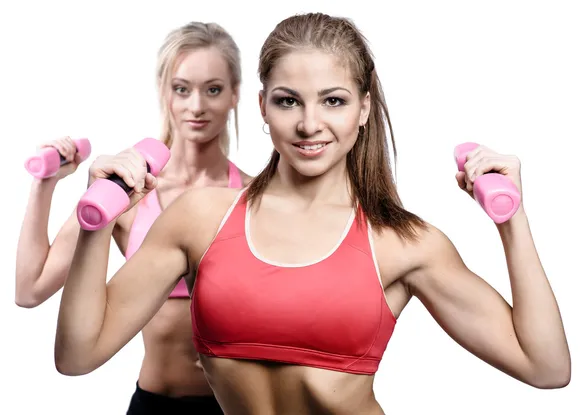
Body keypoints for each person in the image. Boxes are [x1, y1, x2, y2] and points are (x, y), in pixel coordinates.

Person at [53, 12, 571, 415]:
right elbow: (78, 357)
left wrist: (512, 221)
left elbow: (546, 367)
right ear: (260, 107)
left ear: (364, 109)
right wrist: (96, 222)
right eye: (287, 101)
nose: (309, 123)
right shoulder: (200, 218)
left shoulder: (401, 242)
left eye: (334, 101)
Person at [15, 22, 251, 414]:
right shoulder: (128, 189)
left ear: (234, 96)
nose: (196, 106)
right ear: (165, 93)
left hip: (232, 407)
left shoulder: (253, 195)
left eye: (213, 89)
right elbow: (29, 289)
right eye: (182, 89)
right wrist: (46, 184)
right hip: (152, 405)